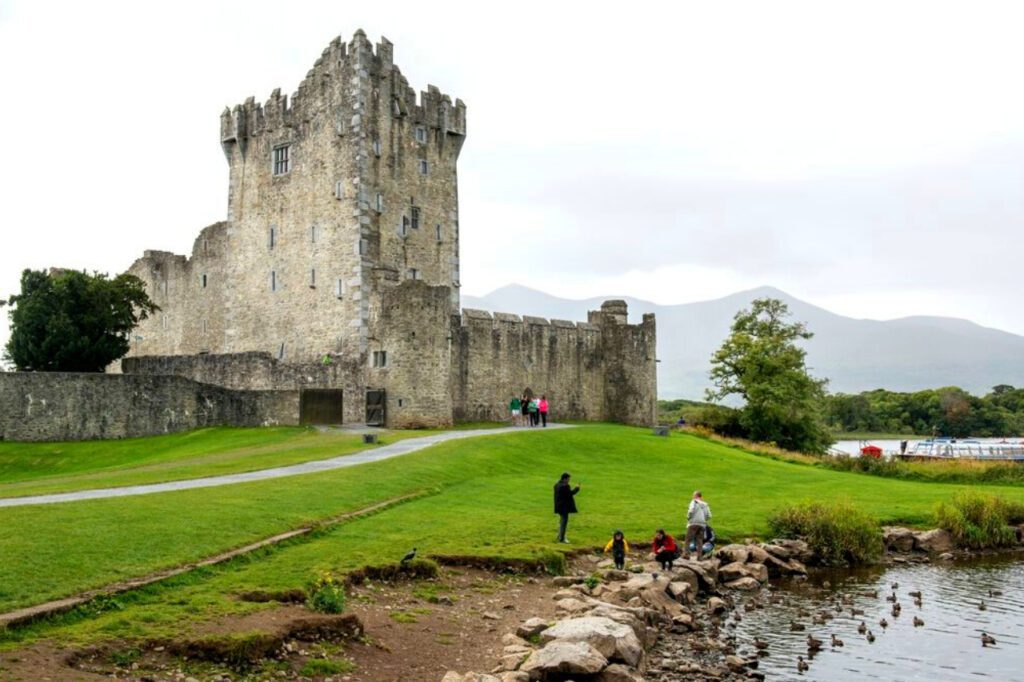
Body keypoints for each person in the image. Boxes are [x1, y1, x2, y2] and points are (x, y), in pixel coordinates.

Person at [553, 472, 580, 543]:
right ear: (565, 478)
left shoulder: (557, 485)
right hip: (564, 507)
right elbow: (570, 494)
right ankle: (562, 538)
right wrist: (577, 488)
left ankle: (560, 536)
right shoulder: (565, 486)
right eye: (568, 479)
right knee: (564, 522)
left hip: (558, 506)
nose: (569, 480)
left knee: (561, 521)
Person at [685, 491, 712, 560]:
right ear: (701, 496)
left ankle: (687, 555)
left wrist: (688, 518)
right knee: (699, 540)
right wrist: (703, 520)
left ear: (695, 496)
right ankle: (699, 557)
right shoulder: (705, 504)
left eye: (693, 495)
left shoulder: (694, 502)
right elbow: (709, 515)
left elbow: (691, 511)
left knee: (688, 539)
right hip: (702, 524)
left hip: (693, 523)